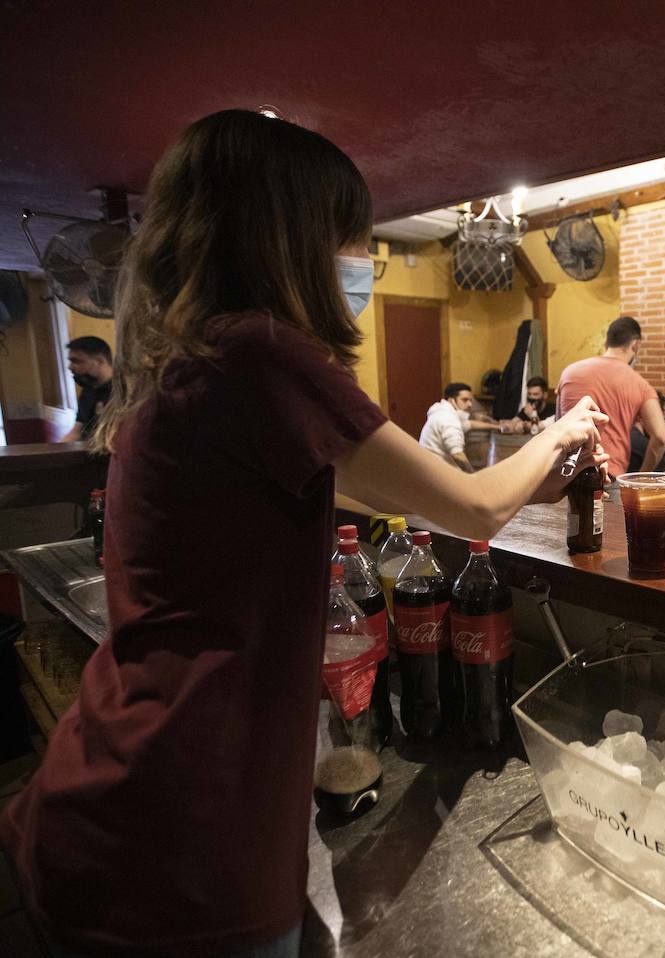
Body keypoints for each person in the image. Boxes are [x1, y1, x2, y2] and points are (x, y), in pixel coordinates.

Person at [0, 109, 609, 958]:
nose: (360, 263)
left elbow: (455, 499)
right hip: (191, 830)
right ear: (288, 239)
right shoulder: (263, 356)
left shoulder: (191, 363)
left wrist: (536, 471)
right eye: (350, 239)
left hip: (122, 795)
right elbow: (469, 508)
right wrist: (560, 429)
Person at [557, 316, 665, 478]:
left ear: (606, 343)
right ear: (636, 345)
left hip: (565, 475)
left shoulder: (569, 372)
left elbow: (558, 424)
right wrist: (640, 478)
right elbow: (661, 438)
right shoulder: (641, 385)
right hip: (607, 476)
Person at [60, 336, 114, 442]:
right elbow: (76, 432)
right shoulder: (88, 391)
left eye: (77, 361)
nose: (70, 367)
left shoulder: (123, 391)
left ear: (100, 361)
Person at [419, 381, 481, 471]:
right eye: (464, 400)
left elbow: (468, 424)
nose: (470, 404)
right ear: (451, 400)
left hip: (428, 467)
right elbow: (457, 454)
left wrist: (496, 426)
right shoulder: (449, 419)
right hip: (438, 473)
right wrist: (473, 475)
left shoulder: (441, 412)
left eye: (470, 400)